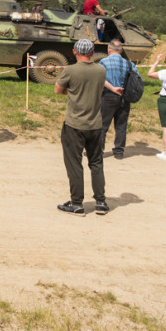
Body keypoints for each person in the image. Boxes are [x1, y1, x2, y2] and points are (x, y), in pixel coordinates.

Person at [55, 38, 108, 215]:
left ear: (74, 51)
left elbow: (57, 90)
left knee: (74, 163)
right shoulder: (101, 70)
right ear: (92, 53)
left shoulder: (70, 70)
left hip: (74, 124)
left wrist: (69, 90)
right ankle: (100, 201)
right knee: (96, 162)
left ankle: (76, 202)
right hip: (95, 124)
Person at [99, 40, 140, 160]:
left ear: (108, 49)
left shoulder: (103, 62)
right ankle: (119, 152)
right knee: (121, 126)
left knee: (102, 126)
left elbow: (99, 78)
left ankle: (98, 152)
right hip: (124, 96)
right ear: (121, 51)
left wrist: (112, 87)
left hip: (107, 96)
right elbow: (137, 79)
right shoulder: (129, 64)